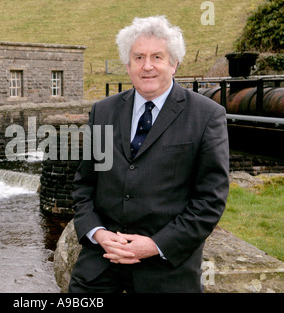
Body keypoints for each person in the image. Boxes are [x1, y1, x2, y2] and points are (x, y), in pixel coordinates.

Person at [68, 16, 230, 293]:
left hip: (166, 272)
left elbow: (209, 200)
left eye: (157, 56)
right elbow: (85, 185)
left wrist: (155, 245)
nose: (147, 66)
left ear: (173, 63)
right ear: (128, 65)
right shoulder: (103, 112)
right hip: (100, 266)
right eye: (138, 57)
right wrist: (99, 234)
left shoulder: (206, 116)